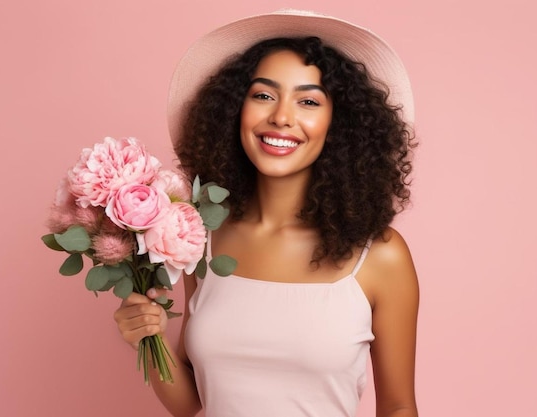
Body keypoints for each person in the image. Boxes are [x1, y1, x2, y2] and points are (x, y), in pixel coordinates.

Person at [114, 9, 419, 417]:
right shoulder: (201, 239)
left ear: (339, 124)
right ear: (234, 111)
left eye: (308, 101)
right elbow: (192, 404)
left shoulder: (381, 256)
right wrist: (147, 342)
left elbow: (398, 407)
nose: (281, 116)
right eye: (263, 95)